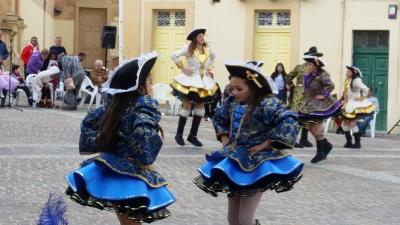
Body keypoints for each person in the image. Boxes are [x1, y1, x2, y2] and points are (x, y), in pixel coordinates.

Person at [65, 51, 175, 225]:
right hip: (130, 177)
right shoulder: (141, 108)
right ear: (140, 88)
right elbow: (145, 146)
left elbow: (89, 122)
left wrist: (107, 143)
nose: (152, 87)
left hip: (112, 171)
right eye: (150, 82)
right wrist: (148, 116)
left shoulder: (116, 108)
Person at [193, 60, 303, 225]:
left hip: (256, 164)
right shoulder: (231, 102)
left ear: (253, 88)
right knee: (232, 219)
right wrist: (225, 140)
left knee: (245, 220)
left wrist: (267, 142)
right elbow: (219, 118)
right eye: (232, 88)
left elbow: (288, 120)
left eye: (239, 89)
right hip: (234, 161)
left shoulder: (266, 104)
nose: (234, 92)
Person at [170, 28, 219, 147]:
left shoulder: (207, 50)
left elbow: (213, 58)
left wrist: (208, 69)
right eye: (200, 36)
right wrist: (182, 68)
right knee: (186, 107)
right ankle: (179, 134)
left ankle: (193, 136)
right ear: (195, 39)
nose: (202, 38)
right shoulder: (188, 49)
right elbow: (174, 55)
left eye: (203, 36)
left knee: (200, 109)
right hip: (190, 81)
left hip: (203, 81)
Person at [298, 48, 342, 163]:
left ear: (315, 65)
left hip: (321, 105)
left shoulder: (323, 74)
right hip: (310, 103)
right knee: (311, 127)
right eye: (307, 64)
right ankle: (326, 145)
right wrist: (307, 77)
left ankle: (320, 153)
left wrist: (323, 95)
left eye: (309, 64)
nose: (307, 66)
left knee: (316, 128)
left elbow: (330, 85)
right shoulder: (309, 75)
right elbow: (307, 88)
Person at [286, 47, 319, 148]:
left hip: (307, 94)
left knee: (307, 116)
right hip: (301, 95)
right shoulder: (306, 68)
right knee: (298, 116)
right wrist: (291, 86)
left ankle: (303, 139)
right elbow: (288, 77)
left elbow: (288, 77)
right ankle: (291, 140)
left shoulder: (303, 67)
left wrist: (291, 85)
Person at [341, 66, 374, 148]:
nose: (347, 73)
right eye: (347, 71)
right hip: (348, 104)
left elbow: (365, 88)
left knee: (352, 123)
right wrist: (343, 99)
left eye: (349, 72)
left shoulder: (356, 80)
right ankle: (348, 142)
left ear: (353, 73)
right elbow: (346, 92)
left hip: (355, 105)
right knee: (344, 124)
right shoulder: (347, 80)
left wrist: (362, 97)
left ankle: (357, 143)